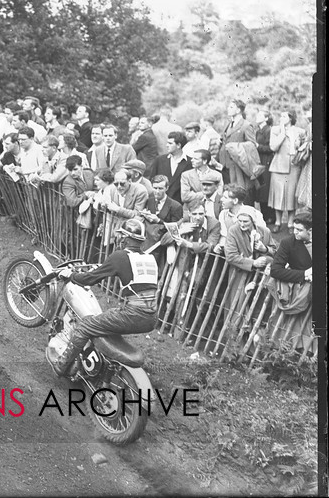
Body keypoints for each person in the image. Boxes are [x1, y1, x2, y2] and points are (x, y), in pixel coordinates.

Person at [46, 219, 159, 378]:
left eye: (121, 236)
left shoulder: (120, 256)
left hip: (133, 315)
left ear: (125, 238)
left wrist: (70, 274)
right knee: (106, 320)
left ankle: (61, 366)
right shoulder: (150, 259)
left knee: (86, 325)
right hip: (151, 318)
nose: (119, 239)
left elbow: (89, 279)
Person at [268, 109, 306, 232]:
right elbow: (273, 147)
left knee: (291, 196)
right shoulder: (275, 130)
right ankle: (278, 222)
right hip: (278, 167)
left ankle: (290, 223)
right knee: (277, 195)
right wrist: (283, 132)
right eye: (281, 116)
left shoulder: (300, 131)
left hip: (294, 167)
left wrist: (300, 147)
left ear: (291, 118)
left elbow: (305, 146)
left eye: (284, 116)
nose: (281, 118)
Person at [217, 99, 257, 202]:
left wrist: (234, 146)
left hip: (239, 167)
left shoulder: (246, 125)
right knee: (228, 196)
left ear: (238, 110)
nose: (228, 109)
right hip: (226, 166)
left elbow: (252, 145)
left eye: (231, 107)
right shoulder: (229, 124)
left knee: (241, 195)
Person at [224, 205, 276, 273]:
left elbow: (275, 253)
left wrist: (265, 249)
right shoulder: (233, 231)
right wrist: (253, 263)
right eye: (239, 221)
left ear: (253, 221)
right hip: (240, 273)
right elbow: (230, 256)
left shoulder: (265, 231)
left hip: (261, 274)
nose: (242, 224)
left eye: (245, 221)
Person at [269, 208, 313, 285]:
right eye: (294, 228)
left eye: (299, 230)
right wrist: (304, 274)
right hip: (302, 285)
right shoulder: (287, 243)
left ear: (310, 231)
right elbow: (275, 270)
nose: (295, 232)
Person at [147, 131, 191, 205]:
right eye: (167, 143)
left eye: (170, 143)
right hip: (160, 204)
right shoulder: (159, 160)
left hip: (180, 205)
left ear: (178, 145)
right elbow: (152, 180)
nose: (167, 145)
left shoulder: (189, 163)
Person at [180, 150, 222, 215]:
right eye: (192, 158)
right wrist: (207, 193)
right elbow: (185, 196)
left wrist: (194, 194)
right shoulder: (186, 175)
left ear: (204, 161)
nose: (192, 160)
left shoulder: (217, 175)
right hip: (192, 210)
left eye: (195, 159)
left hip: (212, 208)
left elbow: (219, 194)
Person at [253, 108, 276, 224]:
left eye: (260, 115)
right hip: (259, 161)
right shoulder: (258, 131)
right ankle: (264, 216)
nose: (257, 116)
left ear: (266, 118)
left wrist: (257, 146)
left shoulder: (269, 131)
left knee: (265, 188)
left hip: (266, 161)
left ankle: (271, 216)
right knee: (261, 188)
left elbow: (271, 148)